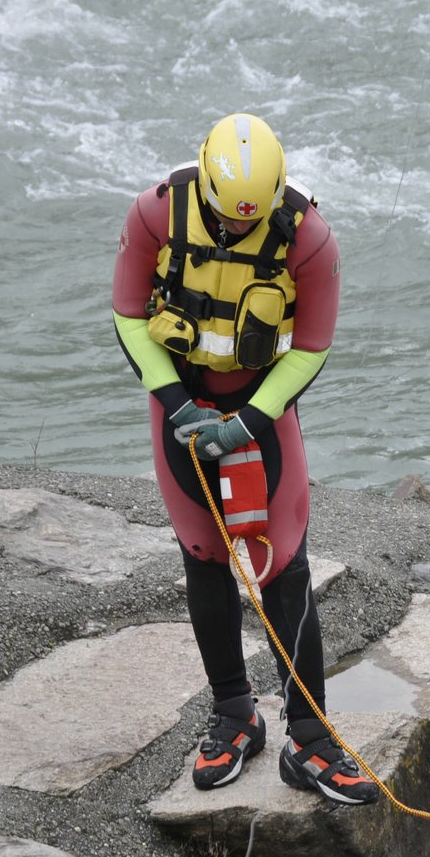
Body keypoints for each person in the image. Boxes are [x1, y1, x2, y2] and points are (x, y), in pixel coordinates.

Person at [110, 112, 376, 805]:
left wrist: (250, 422)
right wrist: (180, 406)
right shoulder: (156, 213)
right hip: (183, 405)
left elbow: (312, 346)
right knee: (203, 555)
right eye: (226, 222)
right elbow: (129, 316)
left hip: (263, 409)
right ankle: (234, 713)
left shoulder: (308, 238)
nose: (233, 233)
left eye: (247, 226)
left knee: (283, 564)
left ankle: (309, 737)